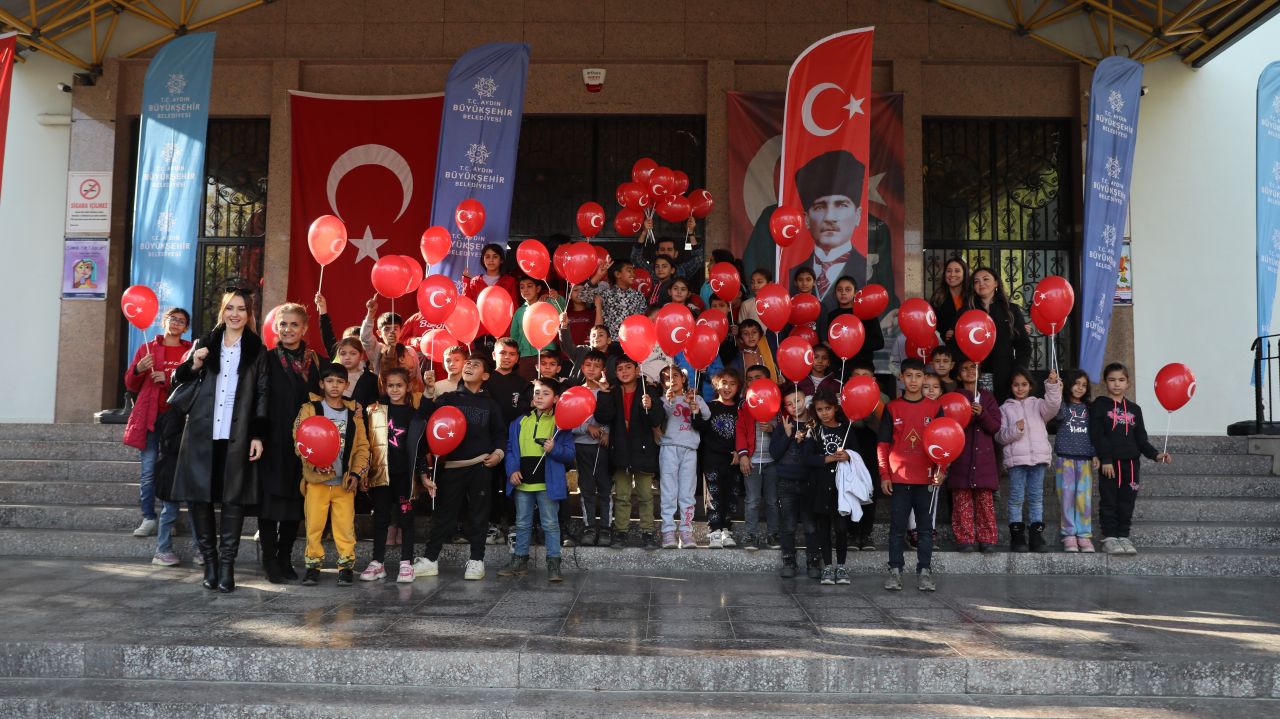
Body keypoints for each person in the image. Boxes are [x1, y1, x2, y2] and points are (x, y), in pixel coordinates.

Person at [170, 289, 268, 593]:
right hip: (202, 431)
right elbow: (178, 378)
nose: (235, 314)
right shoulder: (205, 342)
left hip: (237, 434)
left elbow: (262, 393)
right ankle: (209, 565)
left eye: (241, 309)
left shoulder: (256, 349)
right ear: (222, 312)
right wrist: (195, 363)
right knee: (200, 498)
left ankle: (227, 567)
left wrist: (258, 434)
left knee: (233, 500)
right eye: (230, 308)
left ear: (249, 314)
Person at [416, 355, 508, 579]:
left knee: (479, 514)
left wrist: (498, 454)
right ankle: (430, 560)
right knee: (443, 514)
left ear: (485, 375)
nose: (469, 366)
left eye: (475, 365)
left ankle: (477, 561)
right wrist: (429, 391)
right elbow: (423, 418)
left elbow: (500, 434)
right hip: (451, 467)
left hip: (480, 467)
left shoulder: (490, 404)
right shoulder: (448, 398)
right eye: (468, 363)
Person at [122, 307, 192, 565]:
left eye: (181, 321)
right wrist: (139, 368)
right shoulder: (147, 348)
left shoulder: (188, 351)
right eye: (172, 319)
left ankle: (167, 520)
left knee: (171, 471)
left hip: (176, 420)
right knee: (149, 469)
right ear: (164, 321)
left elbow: (193, 382)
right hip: (151, 417)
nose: (175, 323)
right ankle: (148, 517)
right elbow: (130, 384)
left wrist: (170, 378)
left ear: (186, 327)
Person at [258, 303, 323, 584]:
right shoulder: (267, 359)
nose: (288, 330)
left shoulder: (317, 362)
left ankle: (285, 558)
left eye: (294, 325)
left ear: (305, 328)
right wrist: (257, 435)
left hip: (305, 444)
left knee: (295, 503)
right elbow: (258, 398)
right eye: (283, 324)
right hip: (273, 441)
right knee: (271, 502)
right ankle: (269, 560)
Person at [295, 364, 370, 586]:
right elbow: (299, 439)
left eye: (339, 382)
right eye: (330, 381)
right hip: (316, 482)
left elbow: (363, 447)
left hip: (343, 483)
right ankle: (312, 566)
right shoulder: (310, 408)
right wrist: (313, 464)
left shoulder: (352, 414)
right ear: (321, 384)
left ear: (346, 385)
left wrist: (356, 474)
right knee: (314, 526)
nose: (334, 385)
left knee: (345, 527)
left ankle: (346, 567)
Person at [1089, 363, 1172, 556]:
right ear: (1105, 382)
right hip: (1110, 464)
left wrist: (1156, 454)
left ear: (1128, 383)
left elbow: (1141, 439)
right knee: (1109, 500)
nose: (1116, 384)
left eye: (1121, 380)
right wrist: (1106, 459)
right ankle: (1110, 537)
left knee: (1127, 501)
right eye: (1112, 380)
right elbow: (1097, 435)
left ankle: (1123, 536)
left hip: (1131, 464)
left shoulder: (1135, 409)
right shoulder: (1100, 405)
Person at [499, 377, 577, 582]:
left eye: (546, 393)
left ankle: (553, 563)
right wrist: (512, 470)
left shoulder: (561, 424)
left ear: (557, 398)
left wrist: (554, 449)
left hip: (547, 484)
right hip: (523, 483)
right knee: (522, 523)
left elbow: (569, 454)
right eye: (537, 392)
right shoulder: (520, 421)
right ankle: (520, 560)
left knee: (550, 523)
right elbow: (510, 450)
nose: (540, 396)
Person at [360, 367, 434, 583]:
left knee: (406, 518)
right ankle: (377, 562)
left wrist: (424, 476)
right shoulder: (374, 411)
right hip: (381, 477)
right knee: (381, 518)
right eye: (390, 385)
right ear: (384, 386)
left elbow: (419, 449)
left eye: (399, 385)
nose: (394, 389)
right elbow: (366, 446)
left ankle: (406, 563)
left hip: (405, 477)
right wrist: (363, 473)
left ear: (408, 387)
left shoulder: (413, 414)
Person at [878, 358, 942, 592]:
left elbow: (944, 442)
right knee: (896, 528)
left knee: (925, 529)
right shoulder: (892, 408)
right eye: (909, 376)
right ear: (901, 378)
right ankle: (895, 571)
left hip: (926, 478)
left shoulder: (935, 408)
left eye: (918, 375)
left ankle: (924, 572)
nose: (914, 380)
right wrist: (885, 474)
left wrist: (941, 470)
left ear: (925, 379)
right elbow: (883, 443)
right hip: (899, 478)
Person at [594, 356, 665, 549]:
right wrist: (604, 394)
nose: (624, 372)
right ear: (615, 373)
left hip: (643, 451)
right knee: (622, 496)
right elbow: (602, 417)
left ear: (636, 370)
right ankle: (621, 532)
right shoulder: (613, 392)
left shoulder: (648, 390)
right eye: (619, 369)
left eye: (628, 367)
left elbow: (657, 419)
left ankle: (648, 532)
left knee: (645, 495)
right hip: (620, 450)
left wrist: (650, 406)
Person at [996, 369, 1062, 553]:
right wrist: (1015, 430)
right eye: (1016, 385)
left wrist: (1052, 385)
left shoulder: (1038, 404)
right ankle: (1017, 537)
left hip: (1038, 458)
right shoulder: (1005, 409)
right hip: (1017, 460)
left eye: (1024, 384)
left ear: (1031, 386)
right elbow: (1000, 436)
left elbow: (1054, 405)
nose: (1020, 388)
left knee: (1036, 498)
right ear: (1011, 387)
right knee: (1016, 498)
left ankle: (1036, 536)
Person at [794, 149, 868, 314]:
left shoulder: (868, 269)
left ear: (857, 215)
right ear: (806, 219)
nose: (830, 217)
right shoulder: (792, 273)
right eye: (819, 207)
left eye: (841, 205)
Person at [804, 390, 864, 585]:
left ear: (835, 408)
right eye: (820, 409)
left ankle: (842, 566)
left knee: (840, 528)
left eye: (828, 408)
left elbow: (857, 454)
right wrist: (827, 458)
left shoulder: (846, 429)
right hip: (820, 487)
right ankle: (828, 567)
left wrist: (848, 456)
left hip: (842, 488)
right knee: (823, 528)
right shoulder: (813, 431)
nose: (824, 413)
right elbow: (807, 458)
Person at [946, 358, 1002, 553]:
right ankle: (965, 539)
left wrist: (983, 413)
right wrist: (967, 414)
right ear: (959, 374)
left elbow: (995, 426)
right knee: (962, 501)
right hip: (961, 458)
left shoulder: (987, 398)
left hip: (984, 460)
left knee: (985, 502)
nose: (970, 371)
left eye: (974, 368)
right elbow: (950, 425)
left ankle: (987, 539)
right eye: (965, 368)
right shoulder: (954, 396)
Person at [657, 365, 710, 549]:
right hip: (669, 448)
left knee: (687, 492)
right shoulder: (663, 400)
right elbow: (659, 420)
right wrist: (669, 402)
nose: (672, 379)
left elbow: (707, 415)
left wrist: (695, 404)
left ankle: (686, 531)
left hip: (689, 449)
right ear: (663, 383)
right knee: (669, 491)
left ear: (684, 378)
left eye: (675, 375)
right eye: (667, 378)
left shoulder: (695, 397)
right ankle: (668, 531)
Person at [485, 338, 530, 545]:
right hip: (488, 441)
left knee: (513, 483)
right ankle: (492, 524)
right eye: (503, 353)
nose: (507, 357)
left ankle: (513, 525)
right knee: (490, 485)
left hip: (514, 442)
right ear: (494, 355)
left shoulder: (523, 384)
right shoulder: (483, 380)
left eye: (512, 354)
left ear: (517, 358)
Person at [769, 384, 814, 578]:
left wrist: (807, 439)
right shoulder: (783, 426)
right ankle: (789, 560)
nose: (794, 406)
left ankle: (814, 561)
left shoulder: (814, 424)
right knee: (788, 524)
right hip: (786, 483)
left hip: (809, 482)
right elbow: (775, 453)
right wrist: (787, 436)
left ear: (806, 400)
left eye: (798, 400)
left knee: (811, 524)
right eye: (789, 404)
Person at [568, 350, 612, 546]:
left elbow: (613, 416)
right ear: (582, 368)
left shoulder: (607, 390)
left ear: (603, 369)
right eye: (588, 365)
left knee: (605, 488)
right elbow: (566, 422)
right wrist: (587, 427)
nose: (592, 369)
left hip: (602, 448)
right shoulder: (575, 392)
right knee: (586, 488)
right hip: (581, 446)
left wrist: (607, 432)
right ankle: (589, 527)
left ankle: (606, 528)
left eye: (596, 365)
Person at [968, 267, 1031, 403]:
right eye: (976, 281)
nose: (981, 284)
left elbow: (1024, 347)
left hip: (1004, 376)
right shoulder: (967, 310)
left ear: (996, 283)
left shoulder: (1011, 310)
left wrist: (1017, 372)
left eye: (986, 279)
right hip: (974, 376)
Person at [735, 364, 781, 552]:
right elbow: (740, 431)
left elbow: (787, 431)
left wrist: (773, 429)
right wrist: (743, 455)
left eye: (758, 377)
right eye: (750, 378)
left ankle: (773, 534)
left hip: (773, 462)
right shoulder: (745, 404)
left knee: (772, 500)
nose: (753, 382)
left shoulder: (777, 403)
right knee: (752, 500)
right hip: (752, 461)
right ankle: (751, 534)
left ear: (768, 381)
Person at [697, 368, 742, 549]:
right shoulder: (710, 406)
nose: (727, 387)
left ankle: (726, 529)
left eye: (732, 384)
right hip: (712, 459)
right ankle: (714, 530)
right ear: (716, 385)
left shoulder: (740, 409)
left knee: (731, 495)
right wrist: (695, 410)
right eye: (724, 383)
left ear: (738, 387)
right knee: (713, 495)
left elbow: (745, 434)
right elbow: (699, 426)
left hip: (734, 460)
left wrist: (741, 452)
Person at [1054, 369, 1099, 553]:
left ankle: (1084, 534)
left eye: (1084, 385)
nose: (1080, 388)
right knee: (1066, 498)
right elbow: (1058, 416)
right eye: (1076, 383)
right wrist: (1057, 391)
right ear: (1068, 384)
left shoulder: (1090, 408)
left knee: (1083, 498)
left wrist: (1095, 453)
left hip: (1085, 459)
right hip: (1065, 458)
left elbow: (1095, 434)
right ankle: (1069, 534)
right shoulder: (1062, 405)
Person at [847, 360, 889, 551]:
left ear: (873, 380)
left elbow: (885, 429)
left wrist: (869, 410)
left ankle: (867, 533)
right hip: (851, 450)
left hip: (873, 450)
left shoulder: (884, 399)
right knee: (850, 490)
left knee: (870, 491)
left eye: (865, 376)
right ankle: (852, 533)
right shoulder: (843, 396)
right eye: (856, 376)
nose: (860, 380)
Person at [819, 276, 885, 376]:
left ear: (855, 293)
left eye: (848, 289)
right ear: (835, 293)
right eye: (839, 290)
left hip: (861, 369)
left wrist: (853, 344)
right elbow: (828, 341)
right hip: (838, 368)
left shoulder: (867, 314)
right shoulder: (832, 315)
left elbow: (879, 342)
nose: (843, 293)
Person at [462, 243, 520, 355]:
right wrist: (466, 282)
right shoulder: (475, 281)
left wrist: (511, 334)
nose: (491, 260)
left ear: (501, 260)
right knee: (480, 364)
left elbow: (514, 307)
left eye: (495, 256)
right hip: (479, 333)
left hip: (502, 334)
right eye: (487, 256)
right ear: (483, 260)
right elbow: (468, 305)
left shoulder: (509, 281)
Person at [360, 299, 424, 393]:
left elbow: (417, 376)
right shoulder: (377, 349)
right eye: (386, 329)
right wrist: (370, 314)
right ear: (379, 333)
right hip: (386, 399)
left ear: (401, 331)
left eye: (395, 328)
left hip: (409, 399)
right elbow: (365, 338)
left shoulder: (410, 351)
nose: (391, 332)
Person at [510, 275, 566, 380]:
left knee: (548, 384)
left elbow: (561, 309)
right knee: (526, 385)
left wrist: (556, 297)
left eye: (529, 286)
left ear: (538, 288)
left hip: (547, 353)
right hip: (525, 356)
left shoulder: (547, 304)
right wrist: (516, 355)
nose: (525, 290)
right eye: (522, 287)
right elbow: (515, 336)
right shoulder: (519, 312)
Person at [579, 258, 648, 340]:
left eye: (633, 271)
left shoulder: (638, 296)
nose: (633, 274)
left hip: (632, 342)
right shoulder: (606, 294)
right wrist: (598, 275)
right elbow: (583, 295)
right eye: (629, 271)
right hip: (610, 343)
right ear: (618, 274)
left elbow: (643, 321)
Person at [631, 217, 704, 283]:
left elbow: (699, 259)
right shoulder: (650, 269)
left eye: (669, 249)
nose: (665, 252)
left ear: (676, 254)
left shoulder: (682, 270)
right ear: (657, 253)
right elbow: (635, 257)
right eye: (662, 249)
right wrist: (644, 232)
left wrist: (691, 233)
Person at [929, 257, 970, 347]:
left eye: (957, 271)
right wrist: (944, 333)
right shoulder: (938, 297)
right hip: (945, 349)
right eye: (948, 271)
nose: (952, 274)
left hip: (969, 345)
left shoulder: (972, 297)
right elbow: (932, 323)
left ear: (964, 274)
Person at [332, 336, 379, 407]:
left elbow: (373, 407)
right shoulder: (330, 375)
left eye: (353, 353)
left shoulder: (371, 379)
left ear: (361, 355)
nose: (347, 357)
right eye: (343, 353)